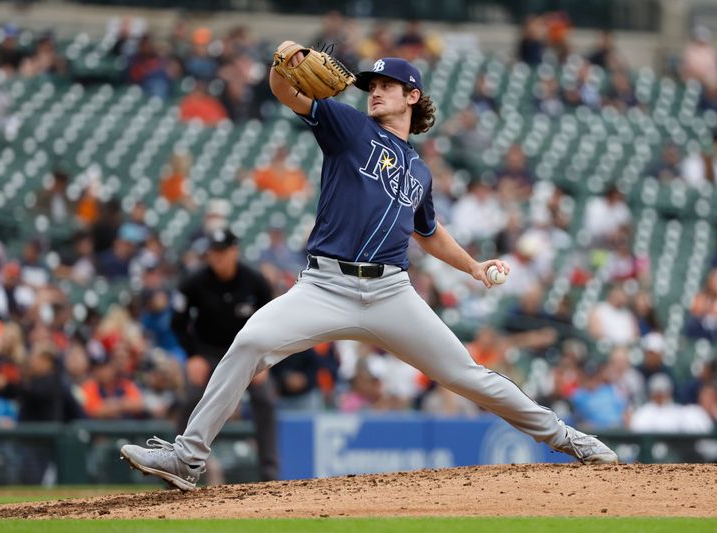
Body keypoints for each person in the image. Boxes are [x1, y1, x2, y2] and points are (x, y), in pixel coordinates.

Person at [120, 45, 617, 491]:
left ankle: (570, 440)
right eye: (371, 86)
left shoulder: (419, 170)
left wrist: (471, 266)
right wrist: (283, 60)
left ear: (412, 96)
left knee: (469, 375)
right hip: (324, 285)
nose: (374, 92)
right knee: (249, 342)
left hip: (391, 293)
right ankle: (188, 458)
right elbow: (286, 93)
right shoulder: (347, 126)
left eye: (385, 86)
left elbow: (428, 231)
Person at [169, 228, 279, 482]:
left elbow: (273, 322)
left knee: (266, 400)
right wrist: (191, 355)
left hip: (247, 354)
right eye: (212, 253)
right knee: (190, 399)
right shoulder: (193, 282)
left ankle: (269, 474)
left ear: (234, 251)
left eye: (221, 252)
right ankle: (176, 469)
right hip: (206, 352)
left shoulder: (255, 281)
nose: (216, 258)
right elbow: (177, 323)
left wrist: (265, 360)